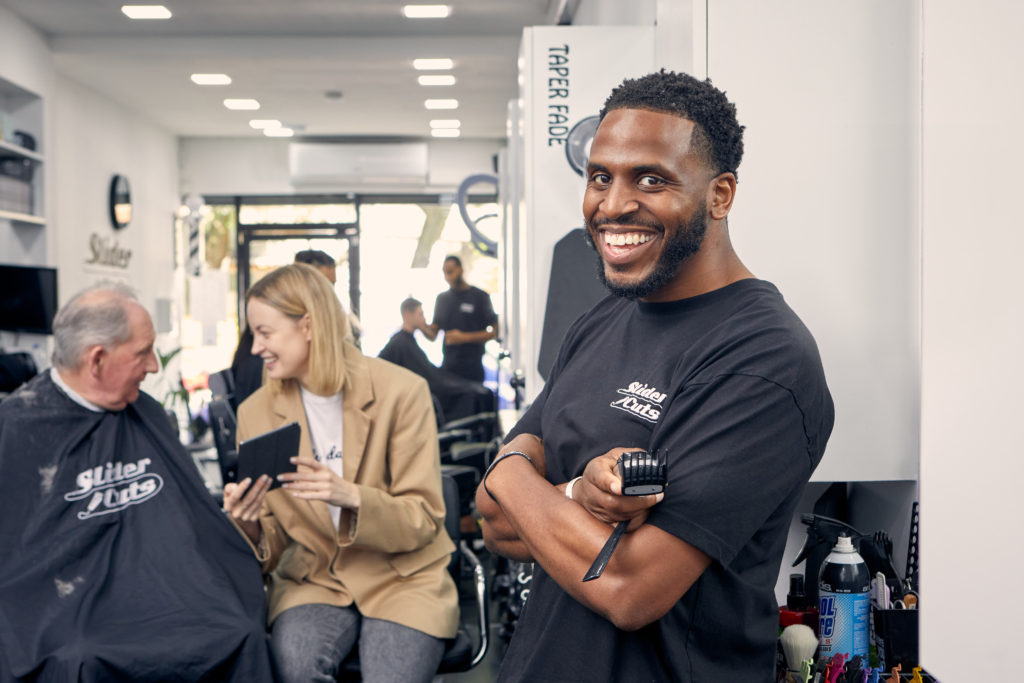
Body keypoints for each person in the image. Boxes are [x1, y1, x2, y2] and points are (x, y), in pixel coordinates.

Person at [476, 70, 835, 682]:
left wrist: (510, 467)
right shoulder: (603, 318)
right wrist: (569, 497)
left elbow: (627, 587)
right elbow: (492, 521)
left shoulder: (764, 356)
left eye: (651, 179)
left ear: (720, 195)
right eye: (600, 177)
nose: (613, 205)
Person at [0, 283, 274, 682]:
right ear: (96, 361)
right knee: (79, 658)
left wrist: (242, 524)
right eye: (143, 353)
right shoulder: (16, 427)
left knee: (241, 633)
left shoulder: (147, 413)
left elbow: (195, 521)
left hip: (173, 596)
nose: (154, 367)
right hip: (70, 611)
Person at [223, 263, 458, 683]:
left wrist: (349, 495)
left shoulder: (401, 393)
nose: (255, 348)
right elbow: (275, 534)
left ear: (308, 326)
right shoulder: (255, 413)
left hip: (401, 578)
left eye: (264, 332)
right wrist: (249, 527)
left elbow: (422, 519)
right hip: (313, 578)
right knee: (294, 667)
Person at [379, 297, 494, 423]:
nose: (424, 319)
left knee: (481, 392)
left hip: (436, 384)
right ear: (407, 315)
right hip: (432, 391)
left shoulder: (406, 340)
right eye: (421, 314)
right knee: (478, 394)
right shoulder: (400, 343)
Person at [421, 255, 497, 383]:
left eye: (450, 272)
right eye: (445, 273)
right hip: (449, 368)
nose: (447, 277)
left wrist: (463, 337)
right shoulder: (442, 299)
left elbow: (493, 332)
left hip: (472, 369)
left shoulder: (480, 297)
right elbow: (433, 334)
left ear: (460, 269)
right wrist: (420, 324)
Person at [294, 248, 363, 348]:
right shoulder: (284, 317)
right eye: (323, 285)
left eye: (332, 284)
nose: (328, 291)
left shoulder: (338, 317)